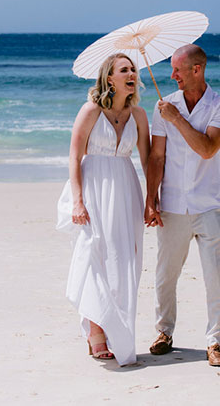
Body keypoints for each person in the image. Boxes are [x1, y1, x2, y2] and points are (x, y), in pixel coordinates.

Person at [56, 53, 151, 366]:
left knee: (126, 261)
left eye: (133, 69)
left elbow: (149, 160)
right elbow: (73, 155)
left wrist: (153, 198)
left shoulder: (138, 114)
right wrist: (78, 200)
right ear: (109, 78)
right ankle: (96, 332)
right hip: (95, 186)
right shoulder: (91, 110)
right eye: (124, 69)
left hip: (126, 187)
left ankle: (117, 329)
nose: (131, 73)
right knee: (97, 255)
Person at [144, 44, 220, 367]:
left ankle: (214, 342)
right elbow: (157, 157)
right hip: (171, 205)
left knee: (215, 276)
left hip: (208, 205)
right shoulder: (163, 106)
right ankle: (164, 332)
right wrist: (150, 199)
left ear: (197, 70)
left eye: (177, 70)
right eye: (171, 70)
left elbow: (207, 149)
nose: (172, 76)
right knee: (165, 274)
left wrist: (178, 119)